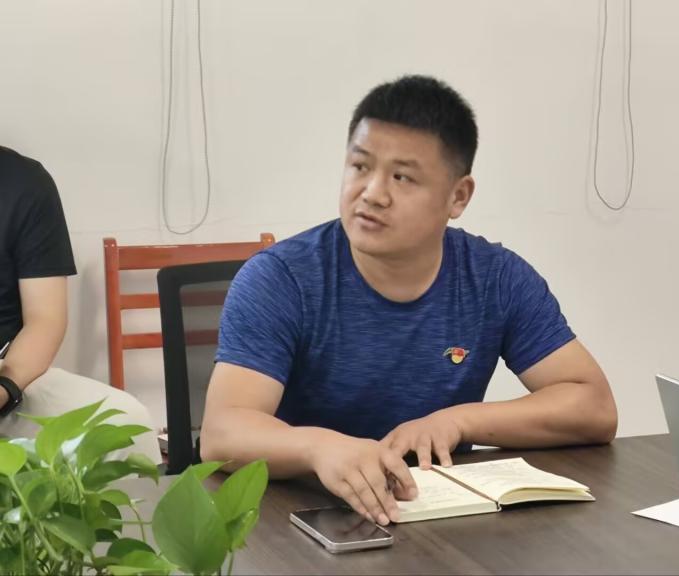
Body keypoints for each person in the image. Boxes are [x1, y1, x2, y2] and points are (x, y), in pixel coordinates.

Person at [201, 75, 617, 526]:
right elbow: (223, 432)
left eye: (402, 177)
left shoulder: (495, 278)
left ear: (458, 196)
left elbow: (593, 407)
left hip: (438, 520)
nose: (372, 194)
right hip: (302, 520)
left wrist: (458, 421)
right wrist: (319, 447)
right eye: (360, 166)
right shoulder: (281, 278)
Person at [0, 146, 161, 462]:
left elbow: (45, 319)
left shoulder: (24, 181)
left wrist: (6, 386)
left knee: (125, 423)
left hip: (11, 375)